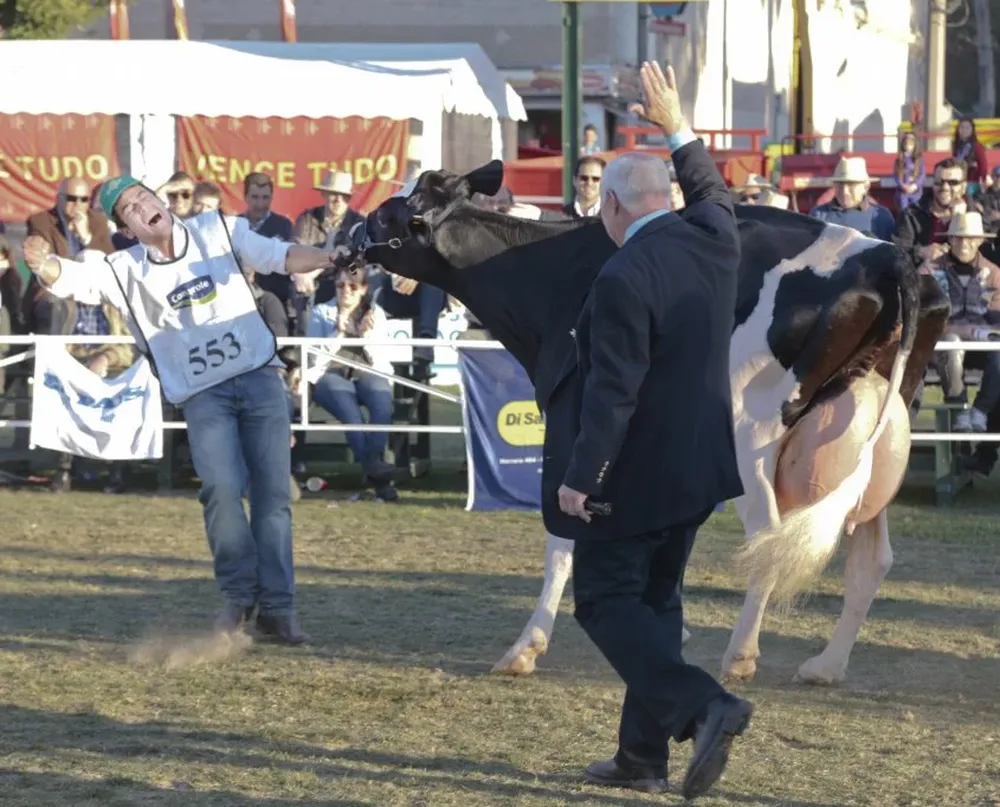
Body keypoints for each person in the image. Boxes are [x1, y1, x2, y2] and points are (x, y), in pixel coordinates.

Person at [21, 174, 343, 645]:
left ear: (159, 200)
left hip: (259, 378)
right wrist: (42, 263)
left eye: (143, 196)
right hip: (203, 394)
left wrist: (328, 257)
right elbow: (75, 279)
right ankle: (238, 599)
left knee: (274, 497)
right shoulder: (123, 268)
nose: (141, 205)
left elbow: (277, 255)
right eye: (129, 207)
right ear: (127, 229)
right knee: (221, 491)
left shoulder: (219, 229)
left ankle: (278, 609)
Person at [555, 60, 752, 799]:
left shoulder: (622, 277)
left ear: (609, 205)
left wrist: (581, 477)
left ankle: (705, 706)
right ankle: (641, 755)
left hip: (636, 476)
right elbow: (709, 186)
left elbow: (613, 394)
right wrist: (674, 122)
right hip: (701, 469)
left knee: (604, 601)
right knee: (657, 602)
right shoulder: (714, 234)